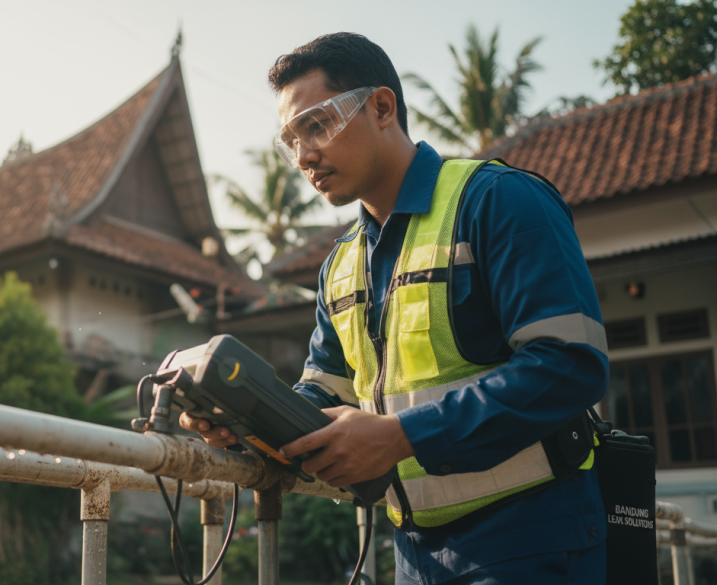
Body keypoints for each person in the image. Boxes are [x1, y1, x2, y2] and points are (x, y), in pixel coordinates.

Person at [180, 33, 609, 584]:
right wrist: (244, 421)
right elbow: (324, 395)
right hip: (411, 553)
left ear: (382, 107)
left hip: (532, 539)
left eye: (317, 125)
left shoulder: (499, 200)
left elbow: (570, 365)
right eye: (291, 140)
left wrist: (401, 436)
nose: (304, 155)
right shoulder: (339, 264)